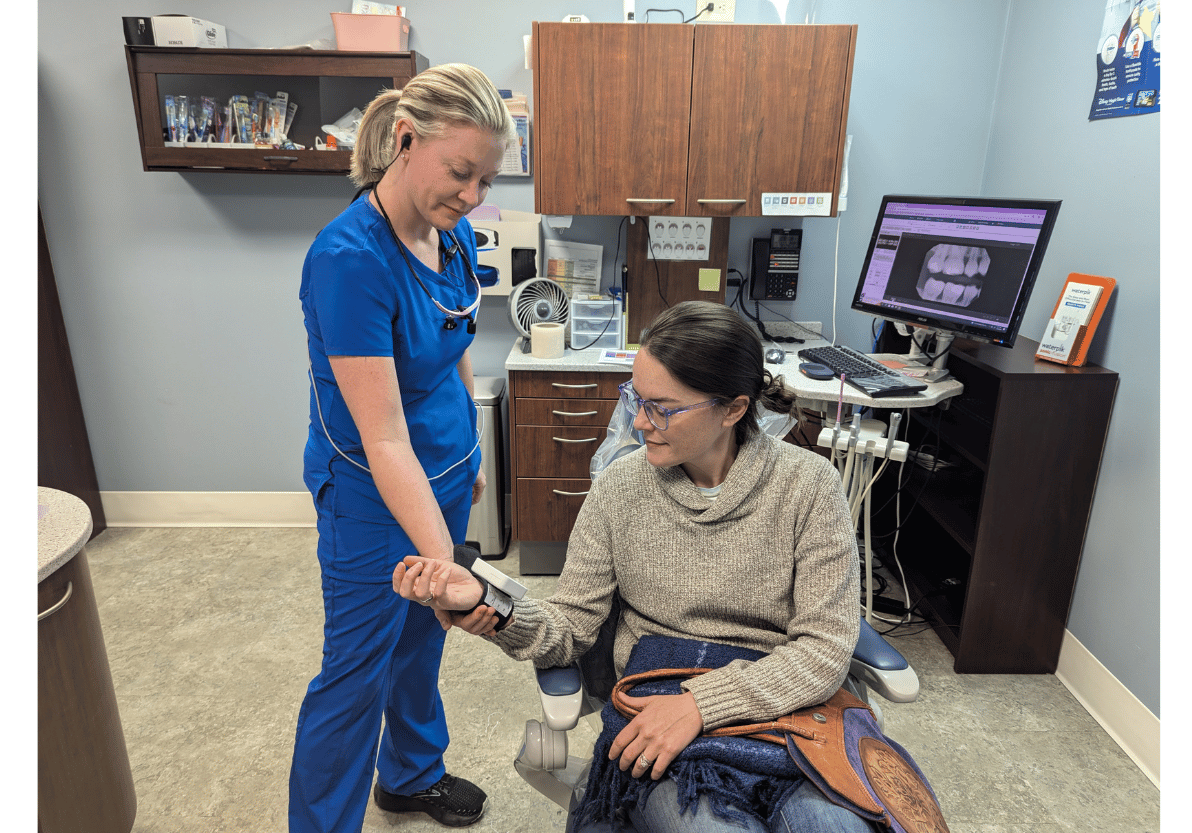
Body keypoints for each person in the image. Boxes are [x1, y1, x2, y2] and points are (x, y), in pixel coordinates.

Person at [394, 301, 876, 833]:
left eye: (663, 408)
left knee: (836, 826)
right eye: (635, 400)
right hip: (656, 713)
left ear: (734, 409)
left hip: (784, 714)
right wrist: (490, 604)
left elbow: (826, 648)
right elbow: (571, 629)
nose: (639, 423)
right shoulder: (620, 492)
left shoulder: (808, 487)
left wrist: (699, 706)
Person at [291, 63, 515, 832]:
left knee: (421, 645)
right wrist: (445, 558)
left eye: (486, 180)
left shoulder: (446, 233)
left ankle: (411, 774)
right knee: (354, 676)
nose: (473, 196)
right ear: (405, 139)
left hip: (443, 478)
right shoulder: (351, 259)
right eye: (462, 172)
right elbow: (383, 436)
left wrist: (473, 455)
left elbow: (457, 340)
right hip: (374, 497)